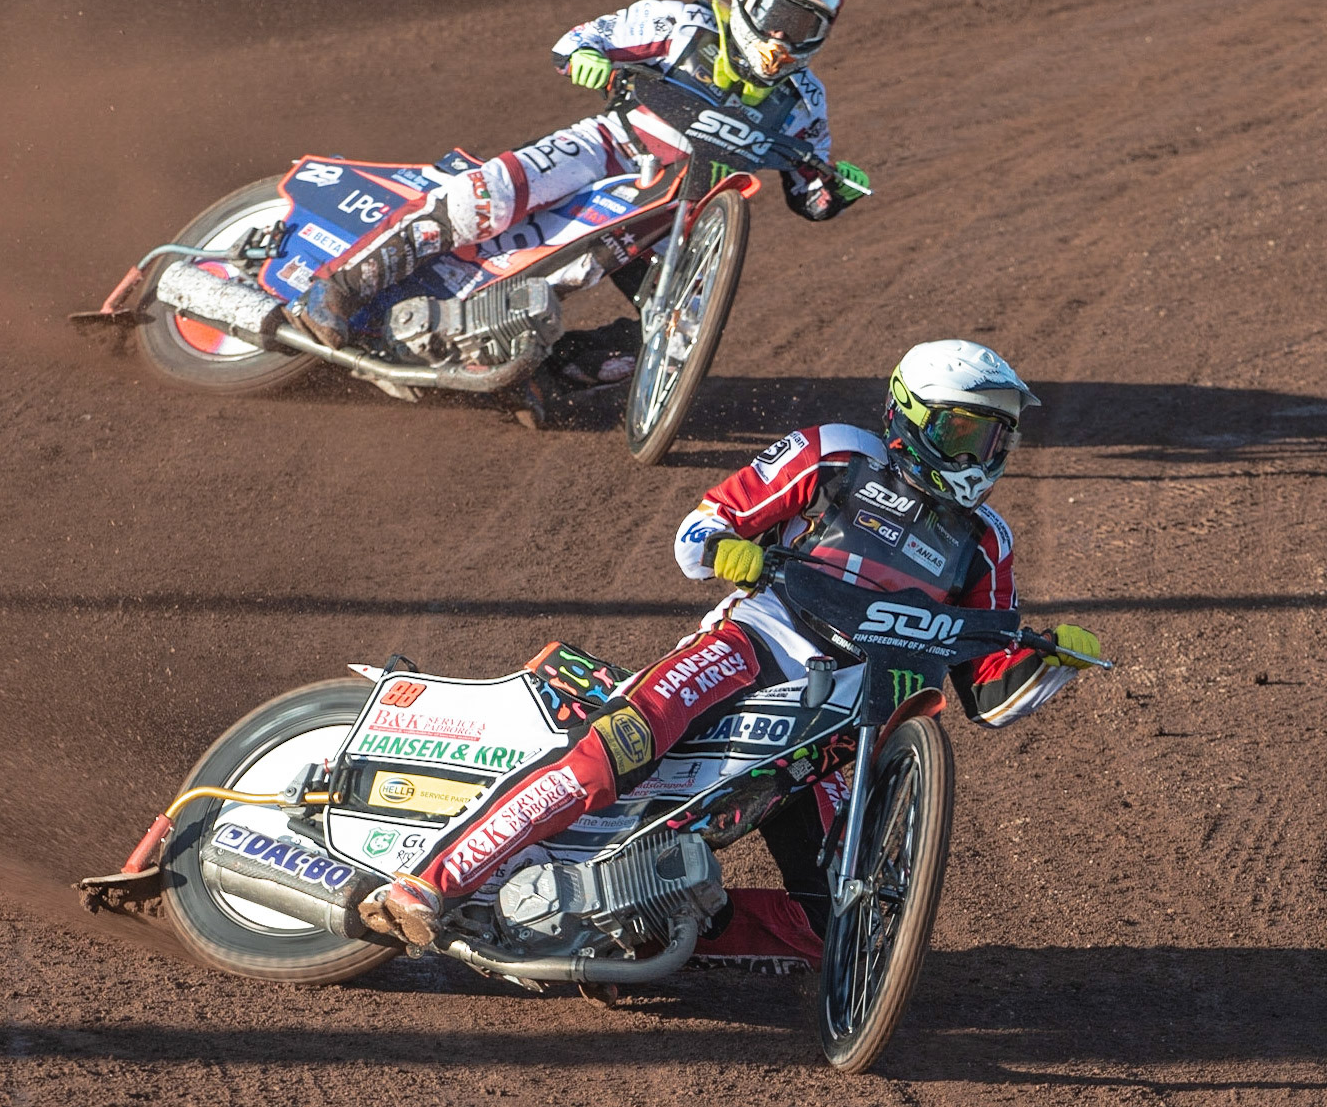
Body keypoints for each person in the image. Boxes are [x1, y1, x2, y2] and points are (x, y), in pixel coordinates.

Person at [359, 340, 1104, 962]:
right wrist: (730, 552)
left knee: (836, 928)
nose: (985, 452)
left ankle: (649, 929)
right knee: (618, 747)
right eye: (969, 432)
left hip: (847, 718)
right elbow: (699, 530)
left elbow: (990, 693)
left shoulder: (987, 541)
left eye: (997, 437)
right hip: (755, 642)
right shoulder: (837, 454)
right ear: (913, 418)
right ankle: (430, 881)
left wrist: (1048, 662)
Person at [292, 0, 872, 363]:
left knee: (675, 330)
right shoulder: (684, 24)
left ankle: (543, 369)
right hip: (610, 148)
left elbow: (809, 192)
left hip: (676, 213)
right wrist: (587, 59)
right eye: (777, 17)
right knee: (487, 197)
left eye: (804, 27)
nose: (782, 40)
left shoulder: (804, 100)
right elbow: (578, 41)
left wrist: (834, 190)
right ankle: (339, 286)